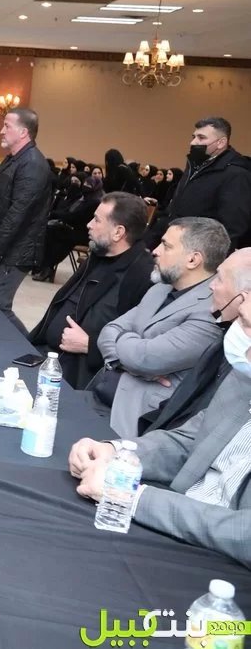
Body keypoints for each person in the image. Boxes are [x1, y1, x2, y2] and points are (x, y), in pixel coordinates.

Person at [68, 253, 251, 569]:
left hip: (221, 565)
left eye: (245, 323)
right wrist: (117, 453)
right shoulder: (244, 376)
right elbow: (189, 442)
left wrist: (131, 497)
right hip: (176, 520)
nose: (236, 331)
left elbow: (243, 534)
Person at [99, 217, 229, 437]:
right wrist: (126, 361)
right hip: (103, 392)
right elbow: (108, 331)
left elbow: (145, 358)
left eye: (166, 246)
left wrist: (128, 345)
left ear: (193, 259)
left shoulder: (210, 310)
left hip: (133, 421)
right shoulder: (160, 288)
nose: (155, 251)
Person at [28, 192, 154, 390]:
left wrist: (91, 345)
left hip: (78, 379)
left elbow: (145, 347)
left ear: (118, 232)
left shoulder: (142, 276)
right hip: (47, 356)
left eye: (97, 220)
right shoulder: (98, 256)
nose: (89, 224)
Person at [142, 249, 251, 435]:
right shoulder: (226, 338)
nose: (211, 286)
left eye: (220, 279)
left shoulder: (238, 355)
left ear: (242, 298)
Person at [0, 108, 54, 331]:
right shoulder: (16, 159)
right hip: (5, 249)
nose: (1, 131)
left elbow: (19, 212)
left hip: (13, 252)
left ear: (23, 132)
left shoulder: (32, 164)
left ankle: (29, 347)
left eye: (7, 126)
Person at [147, 118, 251, 250]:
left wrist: (202, 254)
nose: (193, 142)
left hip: (198, 251)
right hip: (173, 243)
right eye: (194, 137)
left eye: (201, 138)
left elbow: (231, 227)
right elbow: (175, 209)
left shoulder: (237, 174)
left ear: (221, 142)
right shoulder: (194, 166)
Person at [33, 172, 102, 282]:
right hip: (70, 227)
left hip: (83, 233)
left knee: (58, 236)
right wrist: (54, 214)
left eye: (89, 185)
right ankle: (44, 266)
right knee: (49, 231)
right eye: (85, 184)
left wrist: (55, 214)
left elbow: (76, 217)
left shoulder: (94, 202)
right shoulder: (82, 198)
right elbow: (68, 211)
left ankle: (47, 267)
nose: (86, 186)